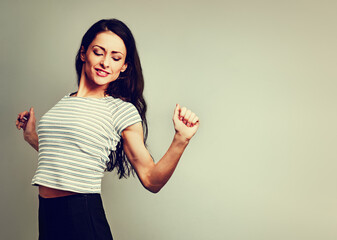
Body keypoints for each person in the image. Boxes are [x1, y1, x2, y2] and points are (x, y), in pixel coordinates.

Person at [15, 18, 199, 240]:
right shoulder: (64, 102)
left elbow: (151, 179)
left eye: (116, 57)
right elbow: (69, 155)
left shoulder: (120, 110)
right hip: (47, 215)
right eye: (98, 52)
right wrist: (32, 136)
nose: (105, 62)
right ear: (84, 53)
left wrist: (181, 139)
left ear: (124, 67)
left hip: (82, 217)